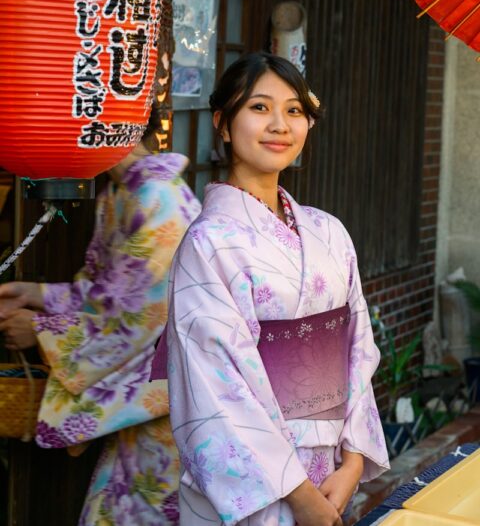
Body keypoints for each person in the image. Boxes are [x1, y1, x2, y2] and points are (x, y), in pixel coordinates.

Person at [151, 53, 389, 526]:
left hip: (331, 472)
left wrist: (354, 462)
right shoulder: (208, 242)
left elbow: (359, 350)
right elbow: (213, 386)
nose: (279, 124)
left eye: (294, 110)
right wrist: (301, 498)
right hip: (255, 484)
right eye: (259, 107)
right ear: (223, 123)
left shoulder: (330, 233)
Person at [0, 102, 201, 526]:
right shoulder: (121, 192)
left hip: (170, 411)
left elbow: (138, 318)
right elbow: (109, 296)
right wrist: (37, 294)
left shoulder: (158, 198)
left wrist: (40, 332)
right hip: (144, 412)